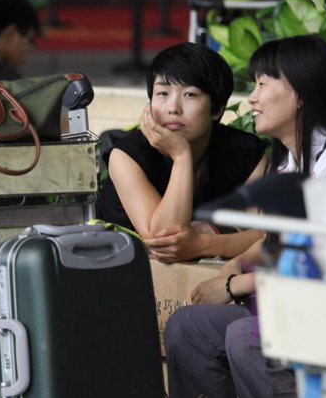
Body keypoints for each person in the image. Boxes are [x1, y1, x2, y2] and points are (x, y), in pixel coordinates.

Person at [163, 35, 326, 398]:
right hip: (302, 308)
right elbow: (276, 242)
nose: (252, 98)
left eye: (263, 84)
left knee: (248, 337)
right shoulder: (290, 158)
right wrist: (233, 265)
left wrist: (234, 285)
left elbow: (325, 260)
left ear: (300, 93)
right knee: (188, 327)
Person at [96, 42, 267, 262]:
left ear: (217, 109)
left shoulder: (245, 153)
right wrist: (181, 156)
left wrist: (202, 243)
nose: (173, 108)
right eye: (162, 93)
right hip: (128, 273)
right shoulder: (127, 156)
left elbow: (267, 235)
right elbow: (164, 239)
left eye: (190, 95)